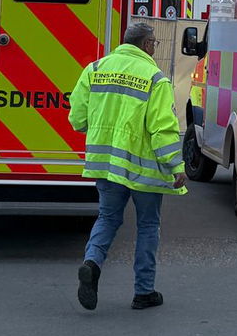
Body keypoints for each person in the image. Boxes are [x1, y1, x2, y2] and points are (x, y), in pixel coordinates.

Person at [69, 21, 186, 312]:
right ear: (146, 44)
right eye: (154, 43)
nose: (154, 47)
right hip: (143, 169)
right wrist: (176, 166)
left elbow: (77, 119)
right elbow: (162, 129)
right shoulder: (155, 79)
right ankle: (143, 292)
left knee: (107, 219)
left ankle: (92, 264)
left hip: (106, 165)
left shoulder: (95, 69)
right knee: (148, 226)